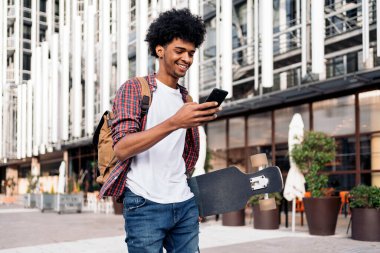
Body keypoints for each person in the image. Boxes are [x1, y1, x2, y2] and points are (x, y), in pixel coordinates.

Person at [98, 8, 220, 252]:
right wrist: (175, 122)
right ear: (160, 50)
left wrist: (192, 199)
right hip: (144, 204)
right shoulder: (135, 89)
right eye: (180, 51)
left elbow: (184, 157)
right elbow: (122, 148)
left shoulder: (187, 99)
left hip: (184, 203)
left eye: (191, 53)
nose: (187, 58)